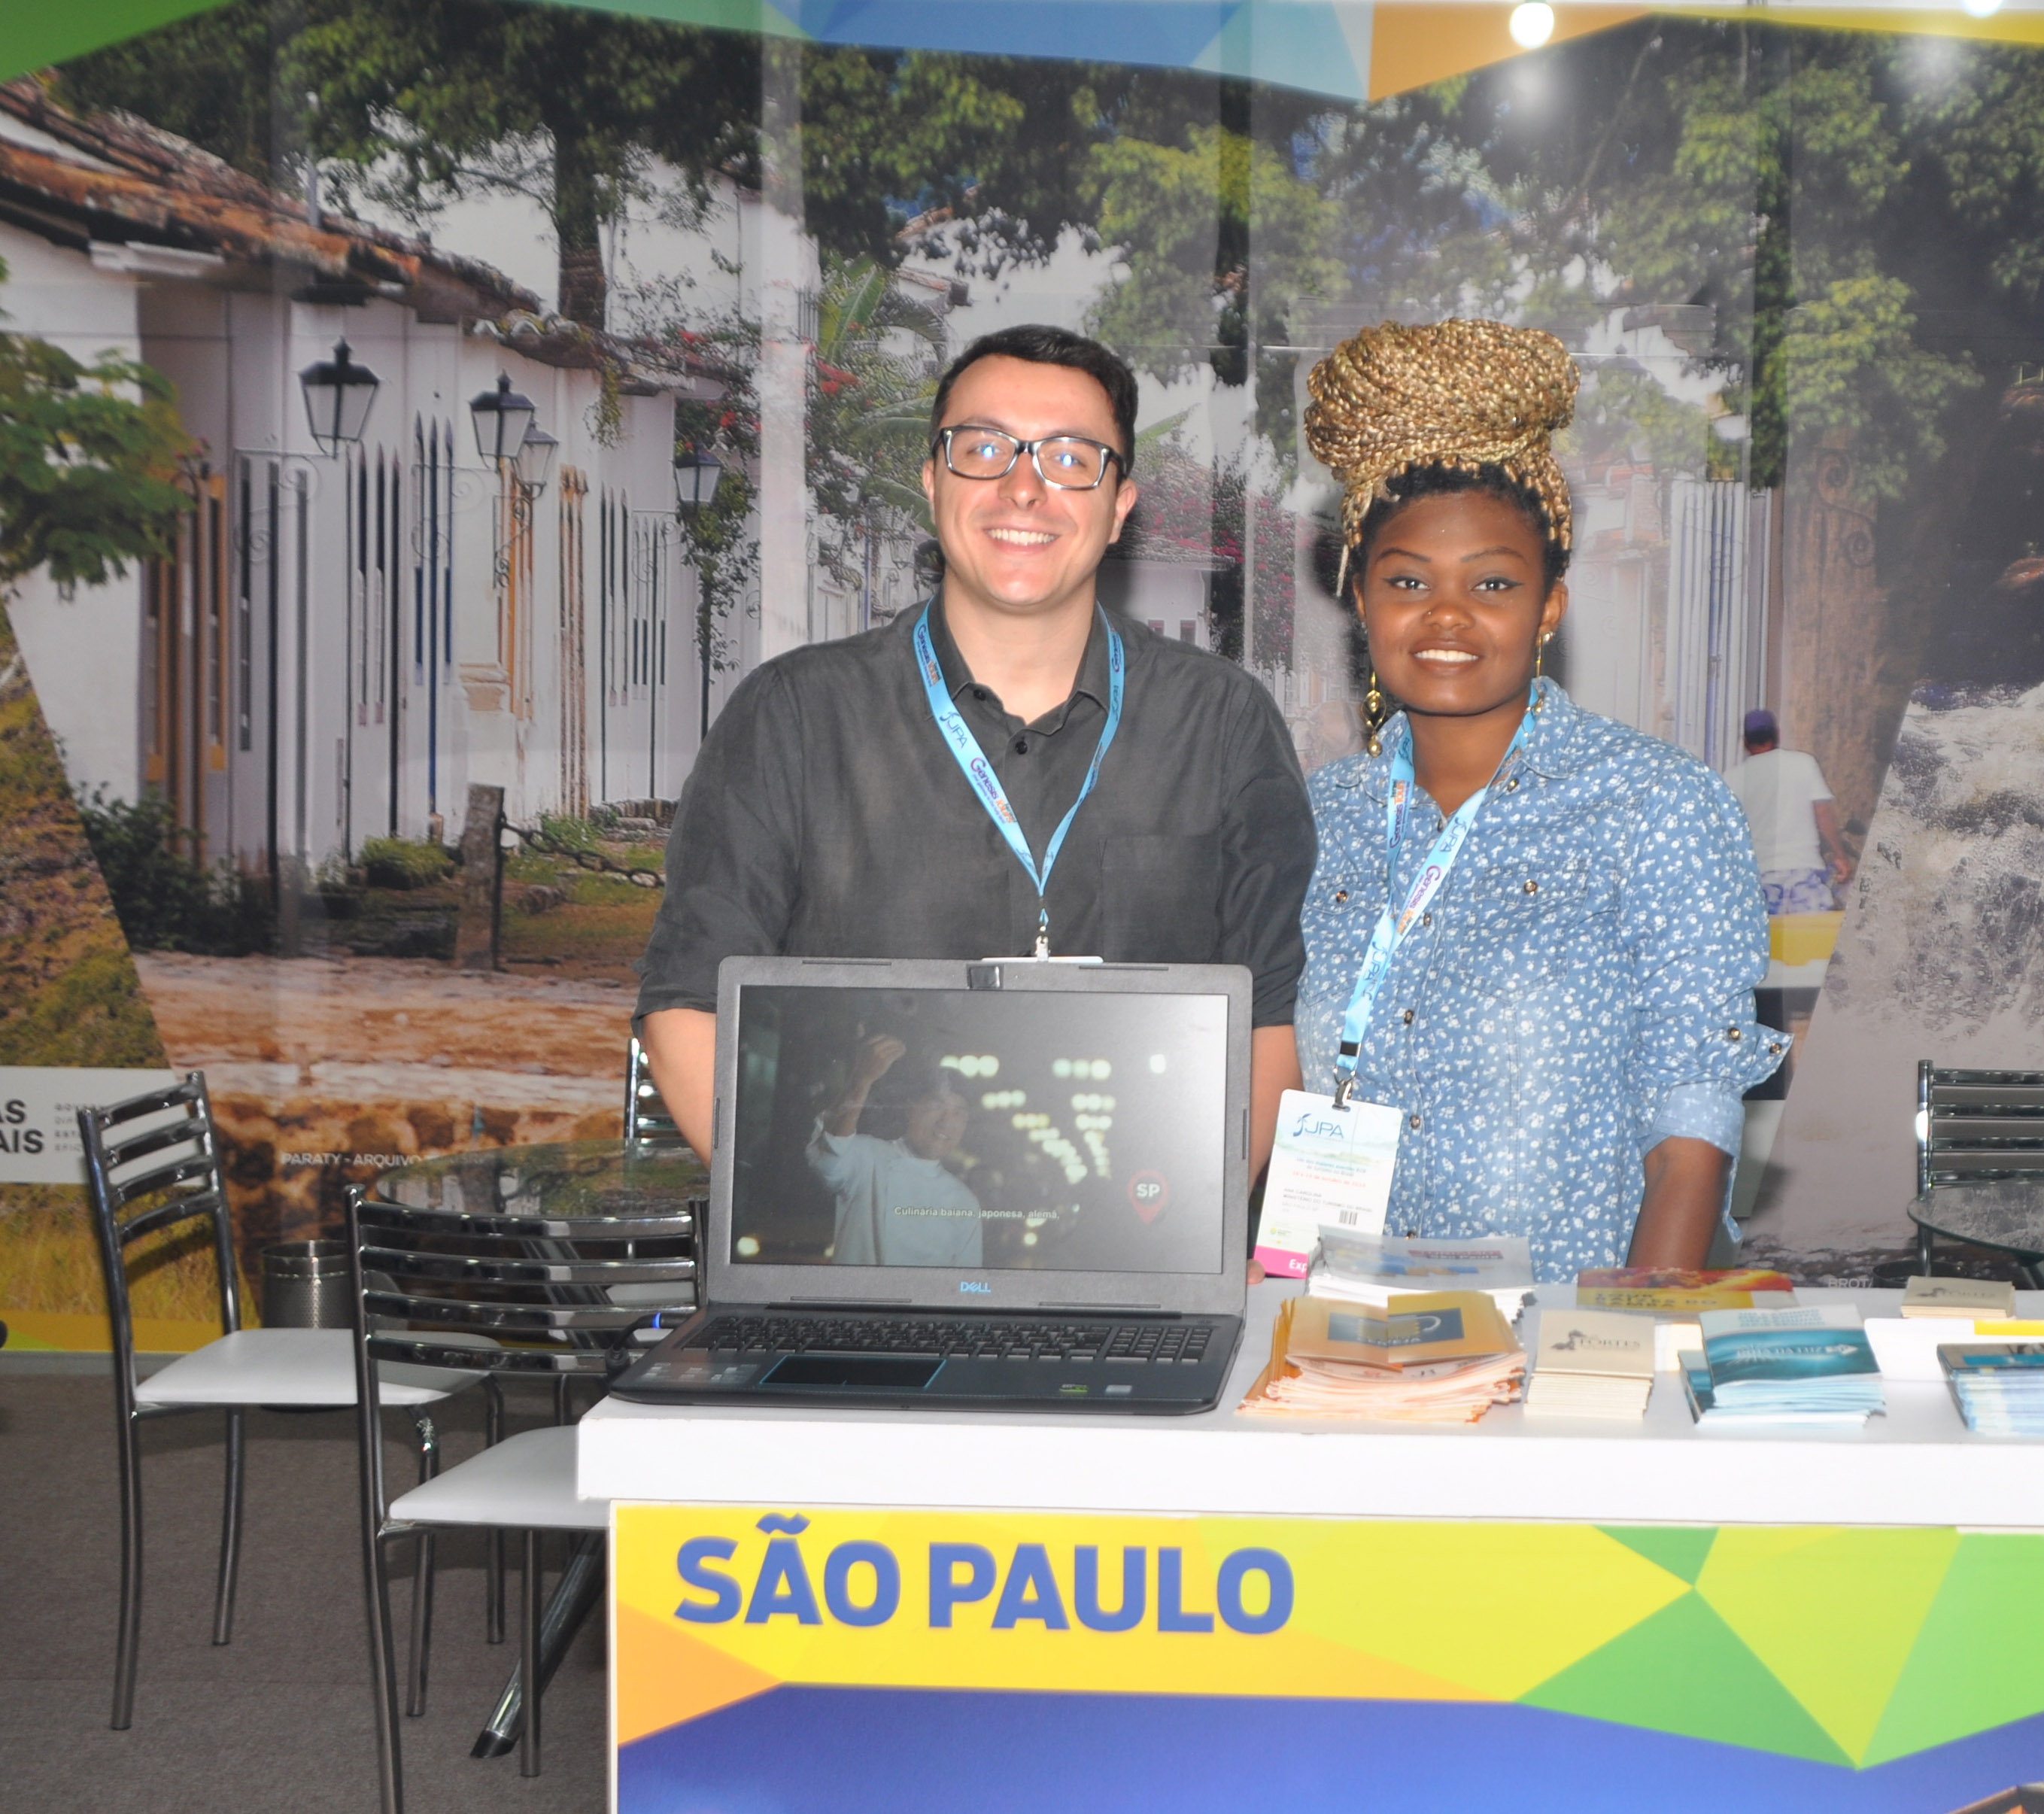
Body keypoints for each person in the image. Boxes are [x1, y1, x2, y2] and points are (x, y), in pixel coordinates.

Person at [636, 325, 1314, 1165]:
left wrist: (1176, 1257)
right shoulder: (794, 716)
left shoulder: (1222, 725)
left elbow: (1270, 1025)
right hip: (862, 1250)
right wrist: (818, 1221)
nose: (1022, 488)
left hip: (1135, 1251)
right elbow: (686, 1008)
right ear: (932, 480)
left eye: (1069, 457)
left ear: (1119, 508)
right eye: (984, 448)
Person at [1292, 318, 1787, 1281]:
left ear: (1548, 605)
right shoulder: (1318, 818)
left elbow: (1693, 1097)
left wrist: (1630, 1333)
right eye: (1406, 580)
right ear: (1361, 598)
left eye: (1492, 582)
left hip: (1559, 1350)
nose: (1445, 615)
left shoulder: (1653, 804)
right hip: (1343, 1341)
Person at [810, 1034, 983, 1266]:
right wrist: (862, 1079)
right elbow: (832, 1148)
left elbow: (965, 1284)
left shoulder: (964, 1201)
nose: (945, 1122)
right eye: (936, 1105)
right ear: (911, 1108)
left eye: (958, 1113)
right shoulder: (866, 1156)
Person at [1723, 708, 1857, 914]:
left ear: (1745, 742)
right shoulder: (1803, 764)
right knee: (1812, 942)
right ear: (1778, 735)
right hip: (1804, 874)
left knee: (1769, 946)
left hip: (1759, 879)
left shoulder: (1731, 779)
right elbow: (1822, 812)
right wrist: (1840, 856)